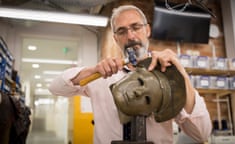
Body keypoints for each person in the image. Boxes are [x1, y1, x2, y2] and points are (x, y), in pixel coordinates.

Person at [49, 5, 212, 144]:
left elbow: (202, 133)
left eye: (136, 27)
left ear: (147, 30)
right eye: (122, 31)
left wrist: (180, 73)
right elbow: (55, 87)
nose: (131, 36)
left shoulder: (167, 77)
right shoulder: (102, 78)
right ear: (115, 38)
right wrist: (93, 70)